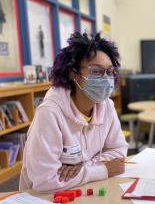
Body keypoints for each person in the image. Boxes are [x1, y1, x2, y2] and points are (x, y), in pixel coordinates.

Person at [19, 32, 128, 192]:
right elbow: (45, 181)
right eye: (96, 71)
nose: (106, 78)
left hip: (84, 190)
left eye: (110, 71)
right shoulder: (49, 113)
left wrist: (84, 166)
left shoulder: (107, 107)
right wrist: (104, 169)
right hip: (42, 197)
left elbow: (119, 152)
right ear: (74, 73)